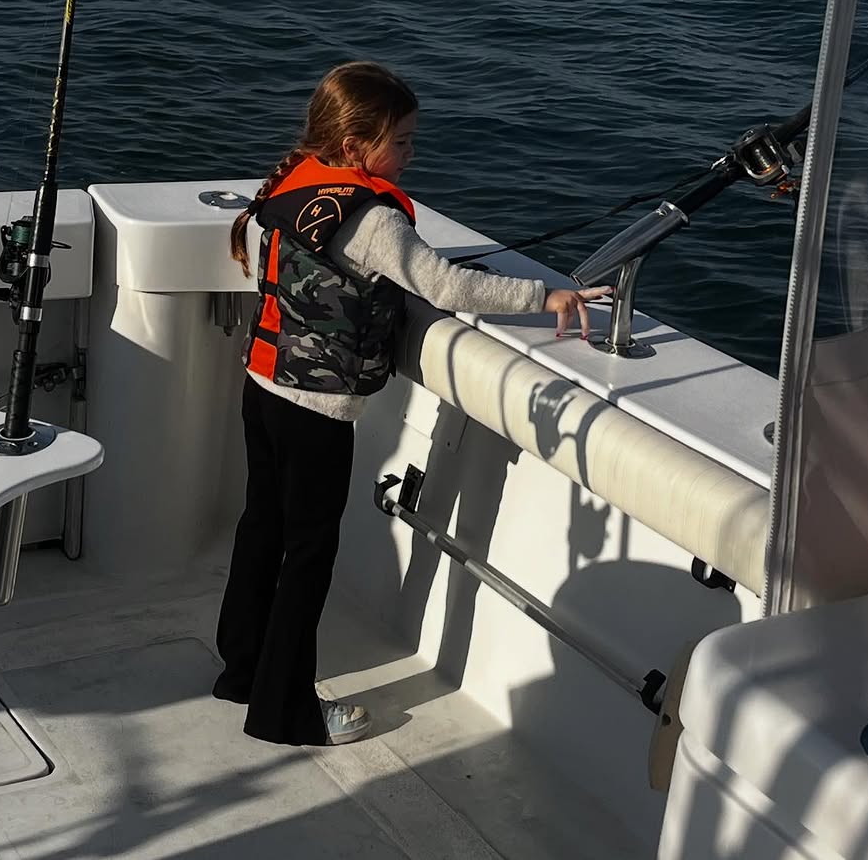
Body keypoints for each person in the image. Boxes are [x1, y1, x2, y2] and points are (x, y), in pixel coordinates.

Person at [214, 60, 609, 747]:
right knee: (309, 554)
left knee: (262, 529)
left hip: (264, 386)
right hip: (317, 410)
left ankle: (241, 670)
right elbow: (444, 285)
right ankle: (283, 711)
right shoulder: (372, 220)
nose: (410, 154)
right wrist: (543, 296)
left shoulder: (294, 178)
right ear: (353, 146)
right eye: (400, 141)